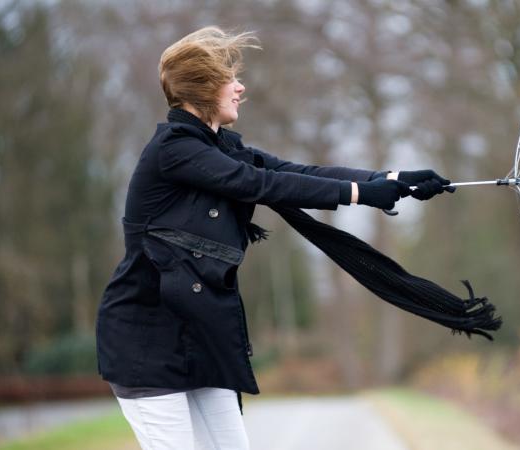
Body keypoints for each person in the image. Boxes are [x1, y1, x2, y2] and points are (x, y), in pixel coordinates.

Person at [94, 26, 452, 450]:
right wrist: (360, 193)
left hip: (200, 337)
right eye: (230, 78)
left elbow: (294, 173)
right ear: (204, 88)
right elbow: (258, 183)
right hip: (147, 344)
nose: (240, 87)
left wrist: (390, 180)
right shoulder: (174, 150)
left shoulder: (218, 146)